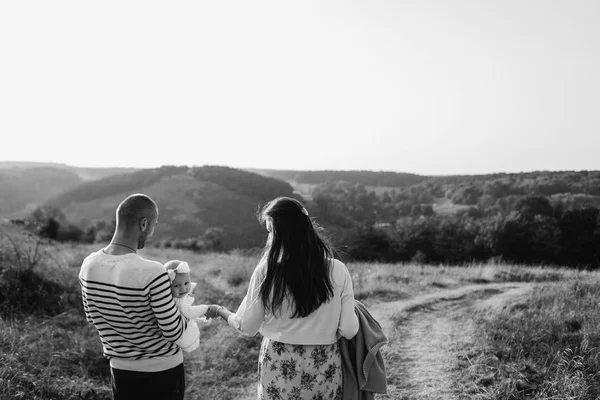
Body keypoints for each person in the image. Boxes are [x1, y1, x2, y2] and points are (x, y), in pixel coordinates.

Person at [210, 196, 359, 399]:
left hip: (279, 362)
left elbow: (248, 327)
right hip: (324, 363)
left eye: (270, 231)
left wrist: (222, 312)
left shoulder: (267, 271)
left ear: (279, 233)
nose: (268, 238)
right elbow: (349, 331)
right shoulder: (338, 269)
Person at [79, 194, 200, 400]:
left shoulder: (88, 265)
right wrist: (185, 309)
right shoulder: (153, 272)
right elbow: (174, 331)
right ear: (144, 223)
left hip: (120, 372)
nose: (152, 232)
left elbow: (93, 318)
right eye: (153, 226)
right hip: (162, 373)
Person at [164, 259, 213, 352]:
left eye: (186, 283)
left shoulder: (176, 296)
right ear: (167, 287)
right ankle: (201, 320)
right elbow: (189, 313)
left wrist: (191, 287)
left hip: (183, 324)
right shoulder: (179, 302)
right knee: (188, 317)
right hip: (184, 336)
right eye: (176, 286)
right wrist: (206, 308)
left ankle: (201, 320)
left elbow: (187, 317)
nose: (183, 289)